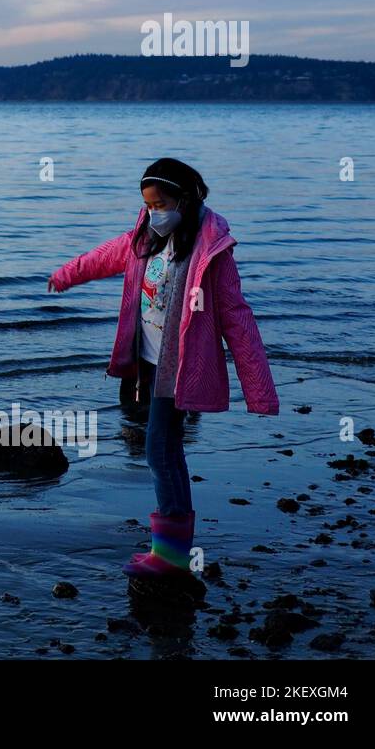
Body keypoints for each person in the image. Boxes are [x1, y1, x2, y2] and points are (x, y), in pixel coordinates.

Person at [47, 157, 279, 579]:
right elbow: (104, 256)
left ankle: (170, 556)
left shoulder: (211, 252)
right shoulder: (145, 240)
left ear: (184, 199)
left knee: (159, 450)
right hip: (149, 363)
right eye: (149, 205)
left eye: (161, 203)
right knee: (166, 450)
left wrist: (259, 390)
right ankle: (172, 551)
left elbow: (237, 317)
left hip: (180, 368)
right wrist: (66, 275)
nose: (155, 212)